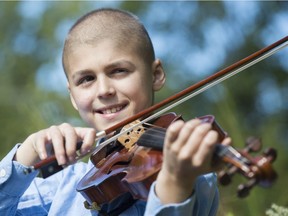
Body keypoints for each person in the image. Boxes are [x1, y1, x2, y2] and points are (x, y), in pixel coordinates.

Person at [0, 8, 231, 216]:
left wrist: (175, 182)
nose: (104, 90)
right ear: (72, 95)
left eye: (119, 71)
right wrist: (27, 154)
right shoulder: (65, 184)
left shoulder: (192, 172)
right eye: (87, 79)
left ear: (156, 75)